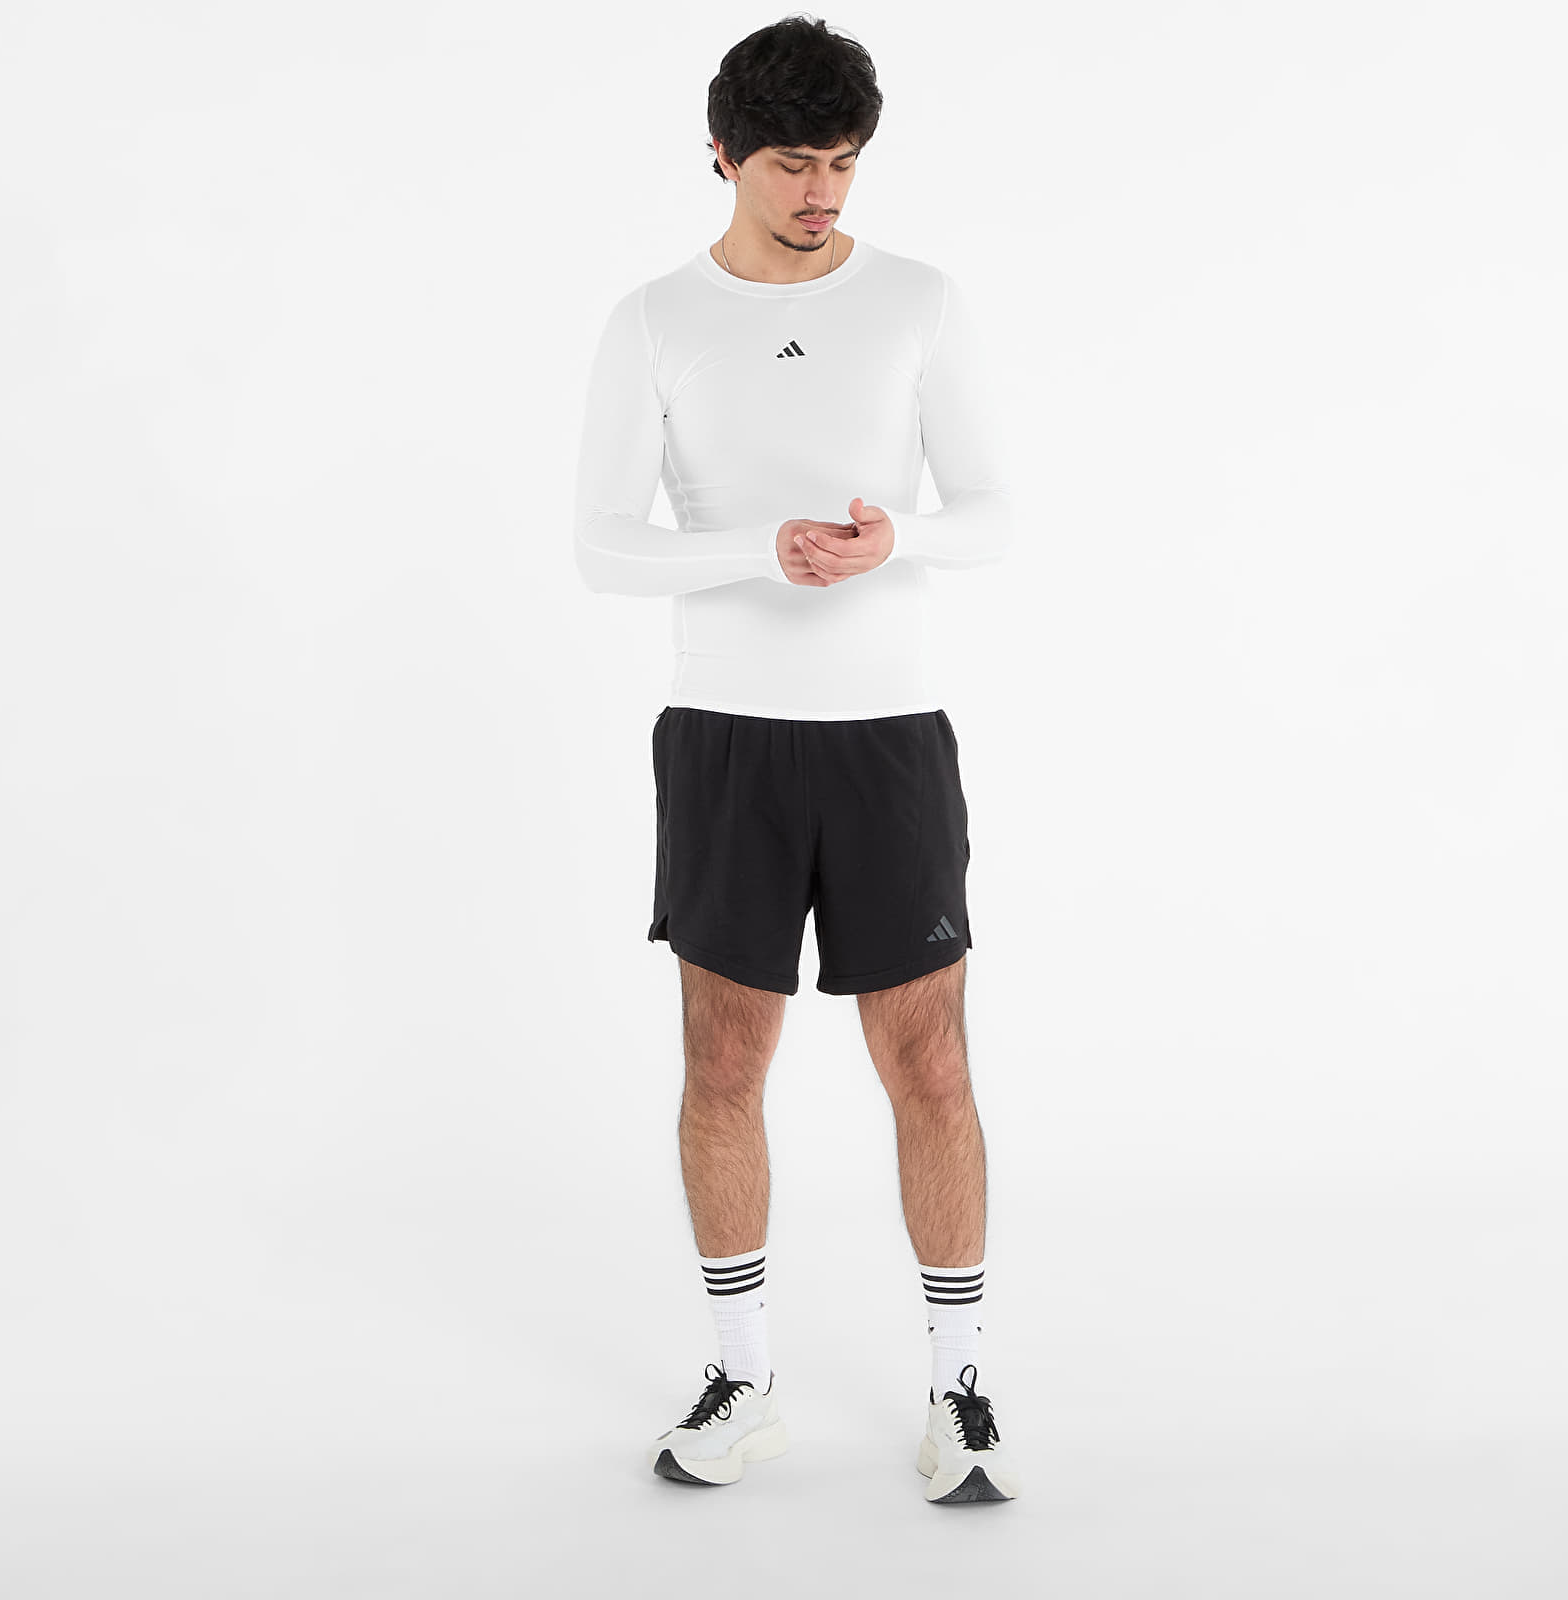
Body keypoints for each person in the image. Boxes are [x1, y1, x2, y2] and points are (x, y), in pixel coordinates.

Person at [572, 16, 1019, 1504]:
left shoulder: (918, 301)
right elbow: (601, 544)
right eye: (790, 164)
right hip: (728, 740)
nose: (821, 192)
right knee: (722, 1061)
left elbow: (997, 511)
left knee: (931, 1062)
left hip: (889, 738)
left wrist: (903, 538)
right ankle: (743, 1373)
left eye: (841, 162)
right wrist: (753, 549)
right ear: (722, 157)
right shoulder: (655, 318)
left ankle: (960, 1386)